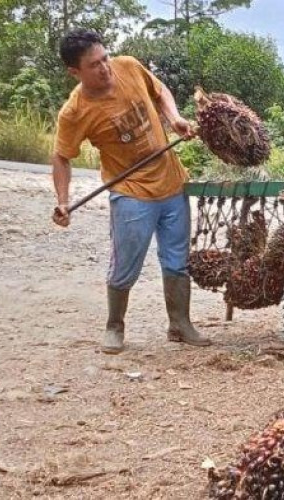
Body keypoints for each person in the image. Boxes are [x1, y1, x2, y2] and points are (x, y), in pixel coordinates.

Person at [51, 28, 210, 354]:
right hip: (131, 191)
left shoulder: (129, 66)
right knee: (126, 264)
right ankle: (114, 326)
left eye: (105, 58)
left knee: (177, 260)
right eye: (94, 64)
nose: (105, 67)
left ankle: (180, 323)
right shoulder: (75, 111)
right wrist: (63, 202)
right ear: (74, 72)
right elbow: (62, 157)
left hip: (171, 182)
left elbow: (160, 89)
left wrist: (175, 119)